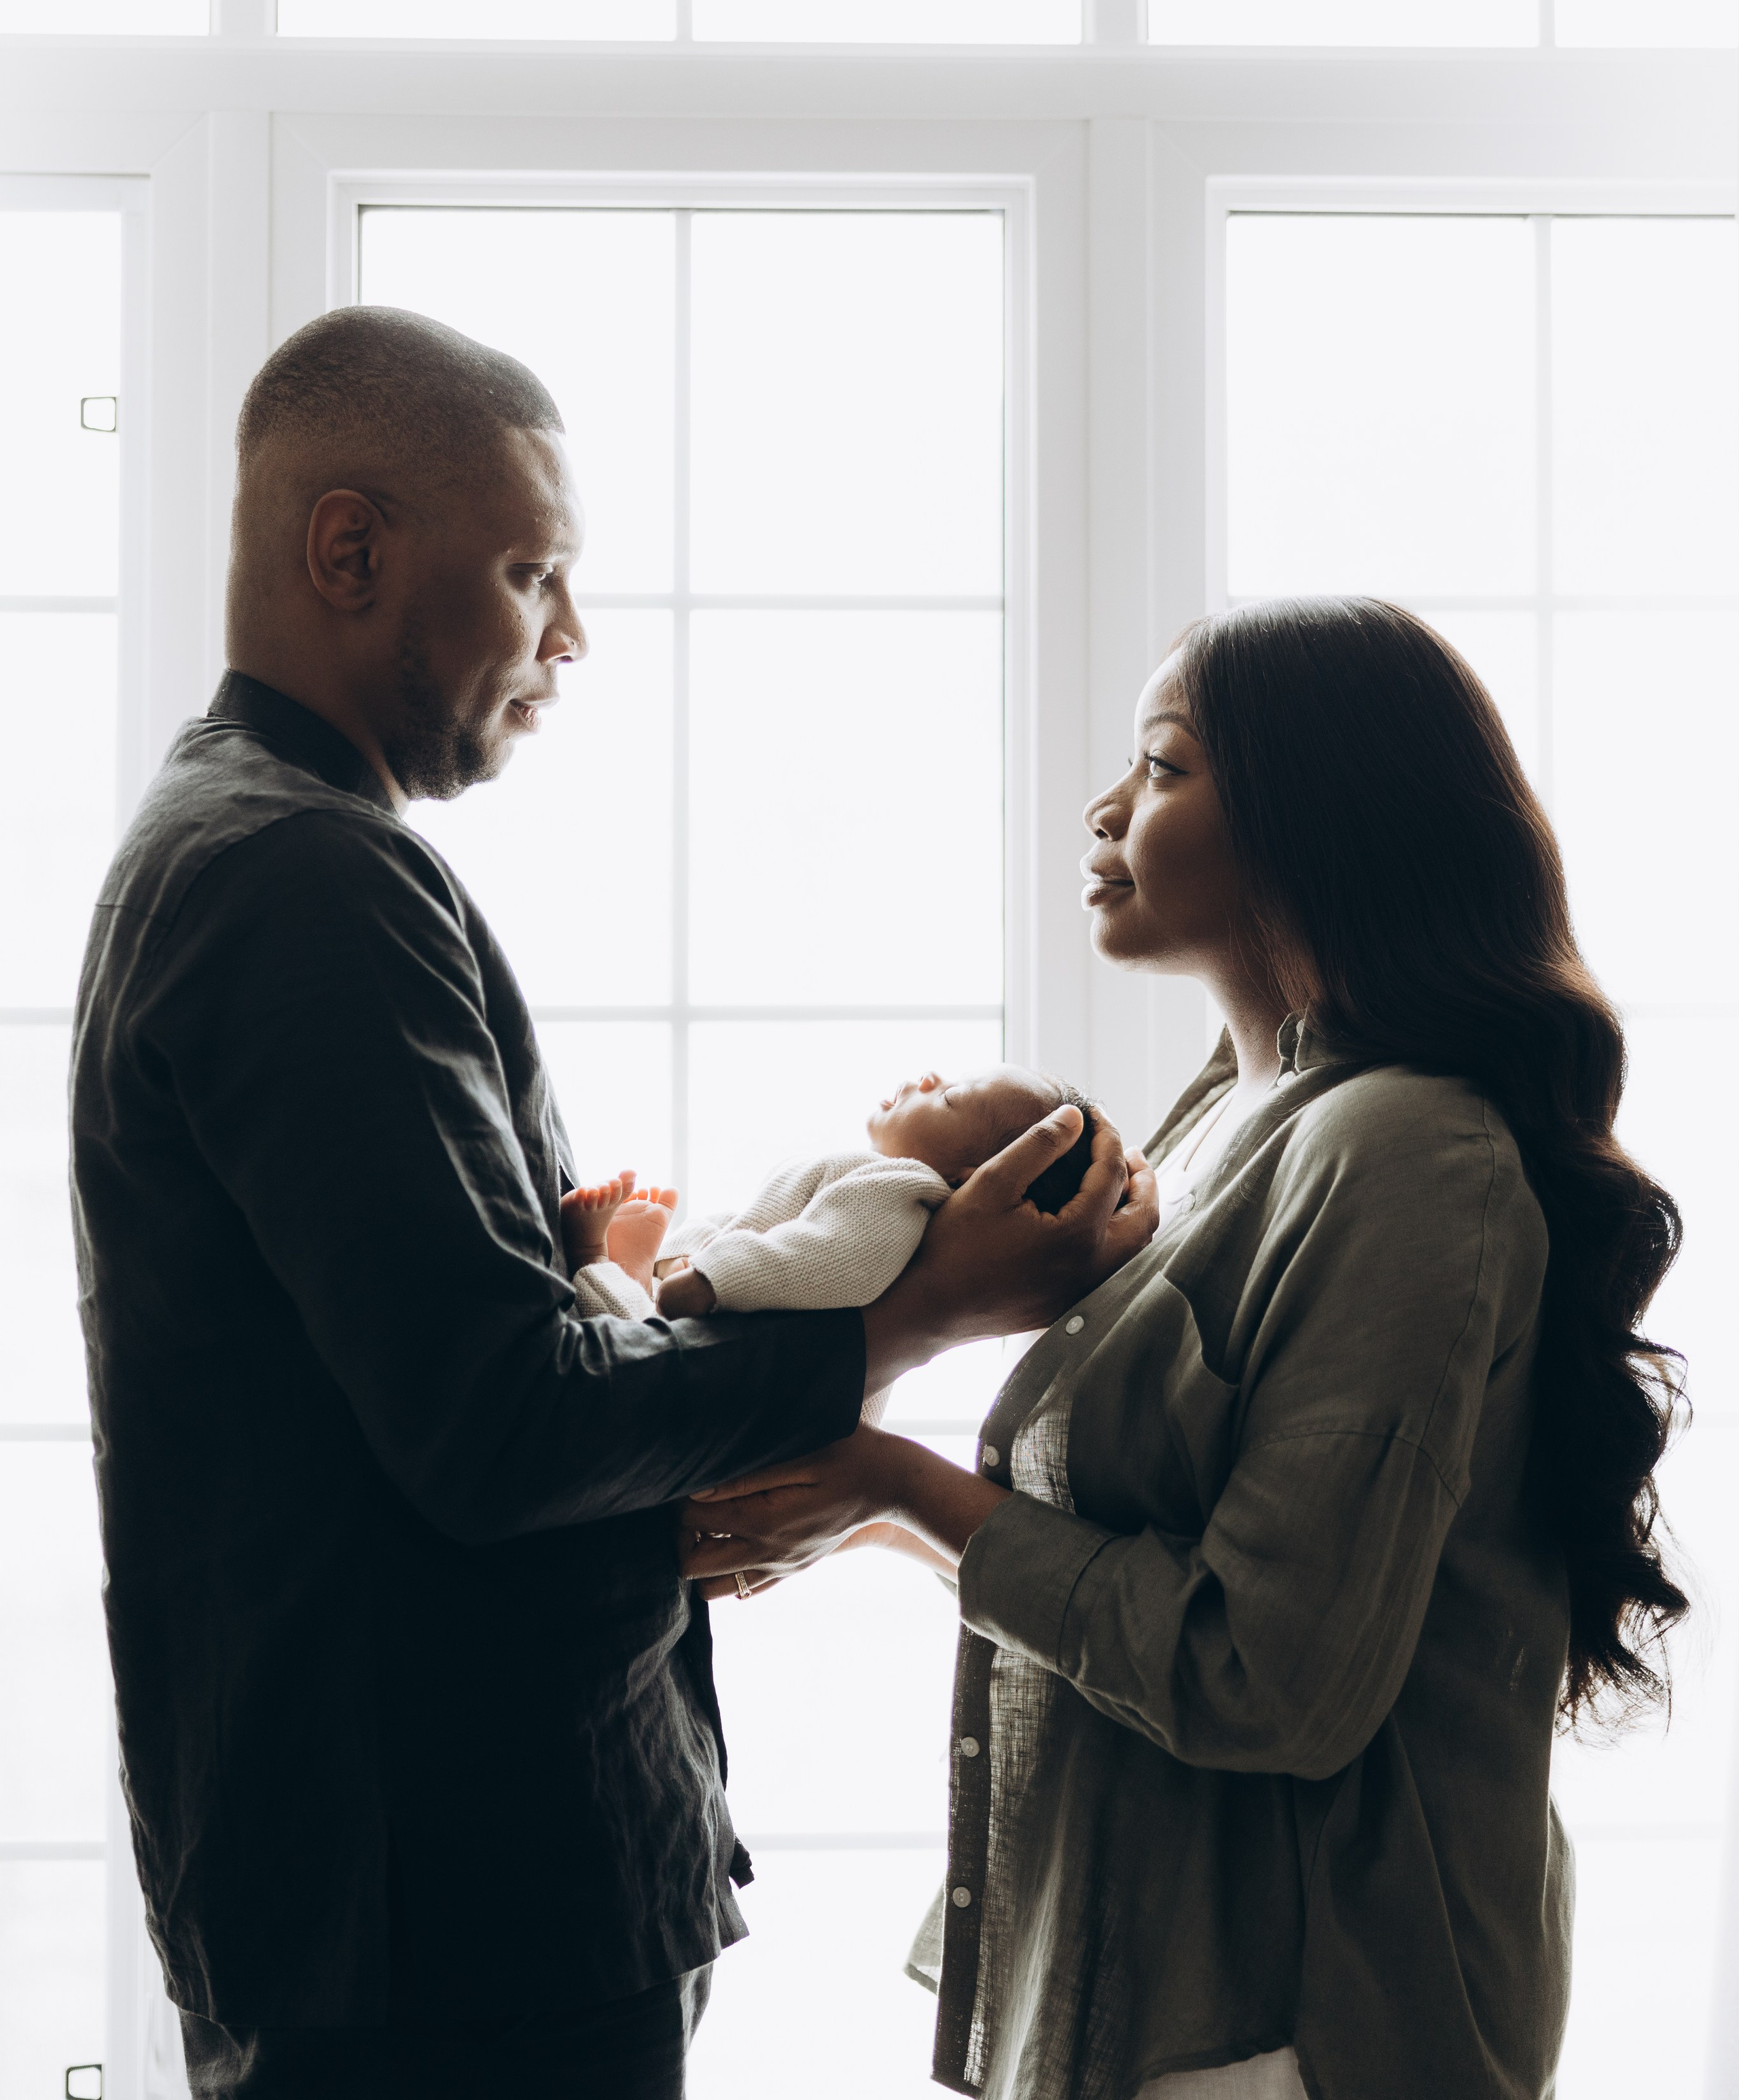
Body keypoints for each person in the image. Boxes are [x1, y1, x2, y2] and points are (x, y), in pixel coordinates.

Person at [69, 305, 1154, 2100]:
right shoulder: (301, 877)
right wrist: (918, 1312)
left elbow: (399, 1373)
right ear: (349, 551)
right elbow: (496, 1424)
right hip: (451, 1922)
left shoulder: (248, 847)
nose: (568, 636)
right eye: (531, 572)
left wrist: (569, 1267)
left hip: (406, 1898)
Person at [677, 596, 1689, 2100]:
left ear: (1313, 818)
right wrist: (866, 1520)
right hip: (1160, 1985)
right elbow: (1152, 1559)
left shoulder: (1406, 1152)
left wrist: (896, 1487)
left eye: (1160, 766)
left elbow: (1264, 1676)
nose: (1105, 810)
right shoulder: (1228, 1122)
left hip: (1301, 2022)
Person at [566, 1064, 1095, 1345]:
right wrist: (690, 1251)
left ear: (974, 1178)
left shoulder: (903, 1189)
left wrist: (708, 1282)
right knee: (661, 1317)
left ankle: (597, 1261)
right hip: (730, 1333)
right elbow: (760, 1226)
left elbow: (827, 1258)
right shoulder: (877, 1183)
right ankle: (643, 1268)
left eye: (951, 1097)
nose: (930, 1076)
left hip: (739, 1374)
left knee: (633, 1353)